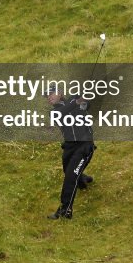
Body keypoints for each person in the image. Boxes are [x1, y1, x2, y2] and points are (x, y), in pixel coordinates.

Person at [46, 84, 96, 220]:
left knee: (70, 176)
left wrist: (84, 99)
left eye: (51, 93)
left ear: (60, 93)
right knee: (68, 170)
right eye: (46, 96)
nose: (48, 97)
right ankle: (83, 179)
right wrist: (76, 101)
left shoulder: (75, 99)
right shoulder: (54, 112)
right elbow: (63, 111)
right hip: (69, 147)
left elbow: (87, 105)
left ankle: (65, 210)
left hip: (84, 146)